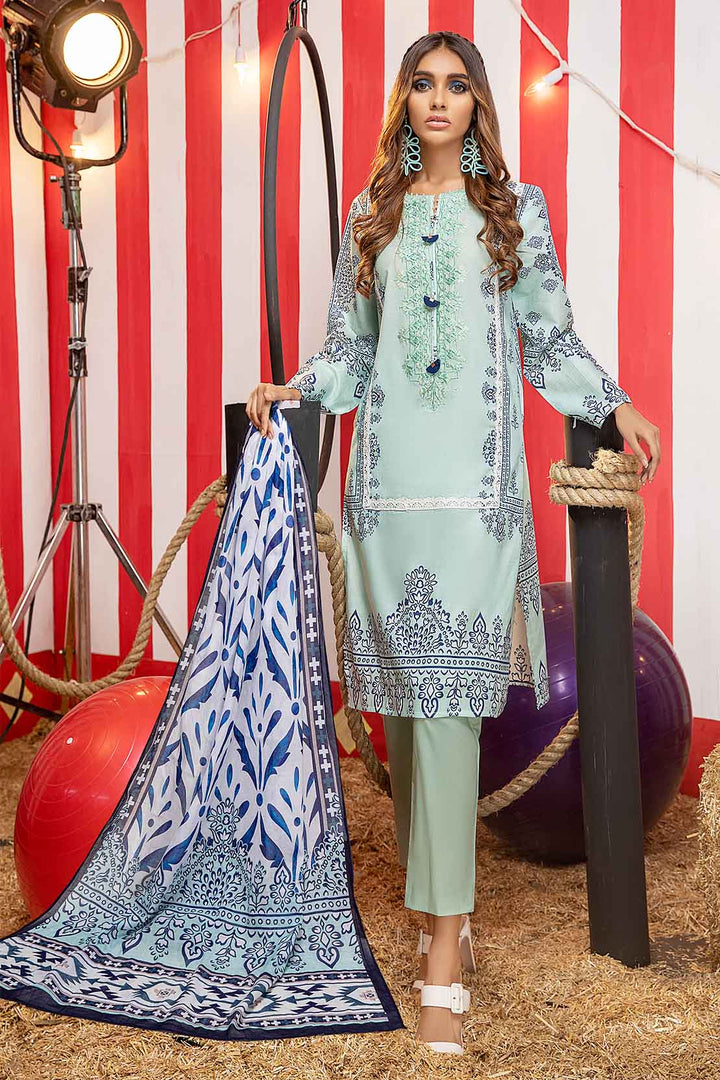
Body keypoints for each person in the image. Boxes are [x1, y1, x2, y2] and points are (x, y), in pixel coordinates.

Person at [246, 31, 661, 1055]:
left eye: (457, 86)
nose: (440, 100)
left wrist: (610, 403)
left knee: (449, 718)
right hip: (386, 498)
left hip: (475, 504)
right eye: (424, 85)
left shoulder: (515, 213)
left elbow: (548, 338)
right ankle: (445, 914)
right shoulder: (372, 216)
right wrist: (296, 388)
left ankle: (440, 954)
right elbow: (350, 354)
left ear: (478, 106)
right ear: (405, 102)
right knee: (404, 717)